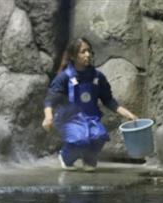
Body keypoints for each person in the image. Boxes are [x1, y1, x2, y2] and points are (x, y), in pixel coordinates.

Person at [42, 37, 138, 171]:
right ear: (73, 56)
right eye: (83, 51)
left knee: (99, 136)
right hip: (69, 119)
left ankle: (89, 160)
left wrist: (128, 114)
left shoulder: (97, 77)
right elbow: (50, 98)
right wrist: (48, 116)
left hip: (90, 118)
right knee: (80, 140)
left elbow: (108, 100)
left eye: (89, 51)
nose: (88, 54)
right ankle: (66, 157)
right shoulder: (65, 77)